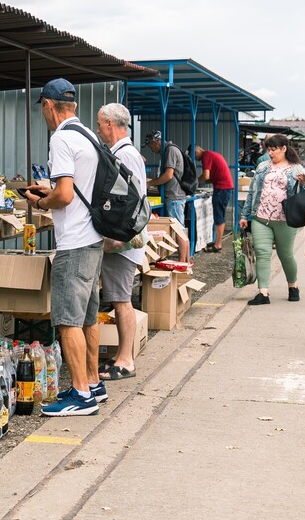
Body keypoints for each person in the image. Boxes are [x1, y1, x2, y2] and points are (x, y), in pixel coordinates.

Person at [23, 79, 104, 416]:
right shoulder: (89, 136)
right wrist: (51, 188)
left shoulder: (60, 138)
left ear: (48, 105)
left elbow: (66, 195)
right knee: (87, 318)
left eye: (42, 107)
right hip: (95, 239)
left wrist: (42, 202)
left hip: (73, 243)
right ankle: (94, 383)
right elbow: (79, 186)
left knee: (67, 320)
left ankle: (81, 395)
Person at [96, 103, 147, 383]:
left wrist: (116, 237)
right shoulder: (124, 153)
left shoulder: (124, 155)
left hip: (123, 241)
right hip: (124, 239)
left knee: (121, 300)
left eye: (100, 124)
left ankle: (126, 360)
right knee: (119, 299)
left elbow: (129, 199)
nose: (98, 129)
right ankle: (121, 355)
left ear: (110, 124)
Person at [239, 135, 305, 305]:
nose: (270, 153)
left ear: (284, 148)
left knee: (286, 255)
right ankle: (263, 292)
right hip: (261, 217)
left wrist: (303, 182)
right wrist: (244, 215)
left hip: (285, 219)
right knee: (263, 253)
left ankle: (293, 286)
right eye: (268, 150)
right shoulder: (263, 166)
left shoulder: (296, 168)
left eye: (273, 149)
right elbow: (252, 192)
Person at [144, 130, 191, 262]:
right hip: (175, 195)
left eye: (150, 146)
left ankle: (183, 263)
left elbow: (168, 175)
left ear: (156, 141)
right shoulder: (169, 150)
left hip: (174, 196)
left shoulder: (170, 151)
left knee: (178, 230)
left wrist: (151, 183)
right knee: (180, 229)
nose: (151, 149)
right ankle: (185, 261)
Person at [195, 144, 235, 253]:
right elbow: (211, 177)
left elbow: (206, 176)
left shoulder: (206, 156)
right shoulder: (211, 154)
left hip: (222, 188)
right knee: (220, 214)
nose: (196, 160)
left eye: (195, 156)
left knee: (218, 216)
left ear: (196, 151)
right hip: (225, 187)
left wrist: (195, 181)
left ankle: (217, 245)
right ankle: (217, 241)